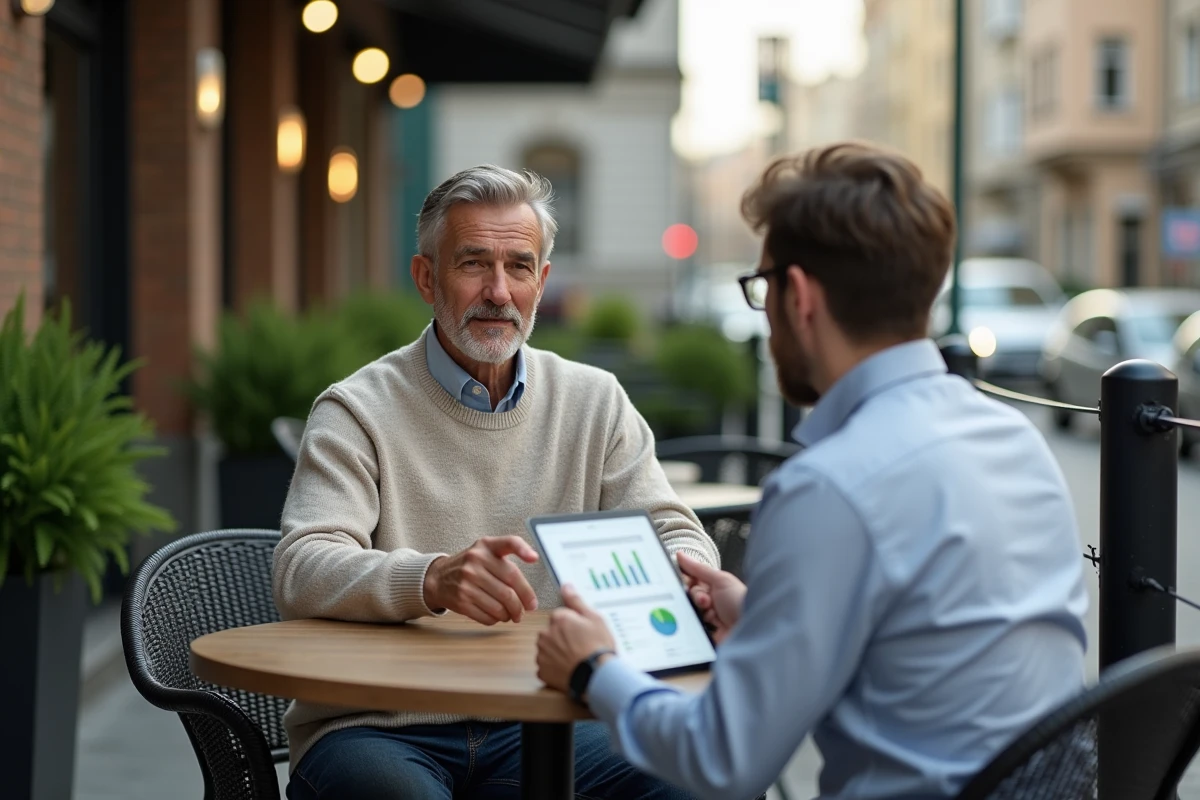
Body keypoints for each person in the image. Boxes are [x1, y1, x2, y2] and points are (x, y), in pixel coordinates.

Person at [536, 142, 1089, 800]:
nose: (762, 312)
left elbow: (720, 761)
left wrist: (592, 667)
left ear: (797, 295)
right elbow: (933, 645)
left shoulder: (829, 487)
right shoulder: (1014, 438)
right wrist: (767, 612)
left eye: (761, 286)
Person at [273, 164, 719, 800]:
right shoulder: (357, 409)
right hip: (379, 726)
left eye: (518, 267)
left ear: (542, 281)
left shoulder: (596, 401)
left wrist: (680, 570)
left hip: (550, 718)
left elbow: (673, 527)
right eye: (473, 263)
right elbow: (302, 566)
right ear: (427, 278)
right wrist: (431, 579)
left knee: (699, 778)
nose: (498, 291)